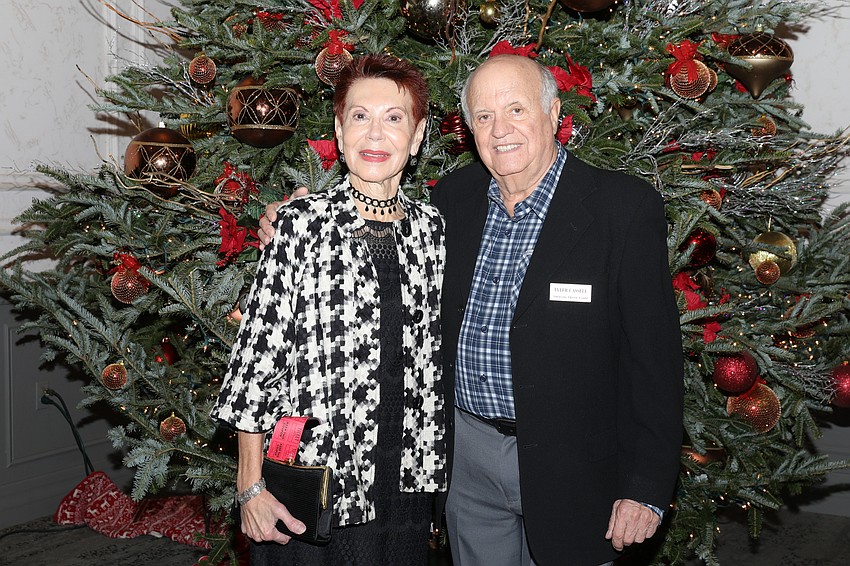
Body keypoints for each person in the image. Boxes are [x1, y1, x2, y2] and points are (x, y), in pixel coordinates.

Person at [260, 54, 684, 566]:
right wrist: (289, 226)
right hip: (466, 460)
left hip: (575, 466)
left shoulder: (623, 209)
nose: (500, 130)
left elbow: (655, 365)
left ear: (553, 115)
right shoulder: (451, 202)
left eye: (517, 111)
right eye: (483, 116)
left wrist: (645, 487)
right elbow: (373, 241)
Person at [211, 54, 447, 565]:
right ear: (340, 133)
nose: (375, 134)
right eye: (360, 117)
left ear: (419, 133)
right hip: (316, 479)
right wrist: (250, 486)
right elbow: (256, 362)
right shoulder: (299, 225)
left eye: (394, 117)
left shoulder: (433, 231)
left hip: (407, 477)